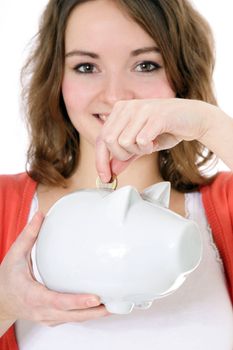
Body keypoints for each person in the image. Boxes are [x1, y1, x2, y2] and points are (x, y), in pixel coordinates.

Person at [0, 0, 233, 348]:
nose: (115, 96)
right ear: (56, 78)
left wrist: (210, 124)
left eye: (146, 64)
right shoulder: (4, 203)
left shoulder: (224, 204)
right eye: (85, 67)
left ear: (181, 77)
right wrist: (5, 304)